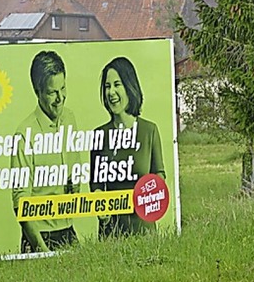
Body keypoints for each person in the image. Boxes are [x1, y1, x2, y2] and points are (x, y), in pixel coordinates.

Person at [11, 50, 80, 253]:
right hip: (39, 237)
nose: (60, 98)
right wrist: (42, 249)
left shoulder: (70, 118)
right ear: (38, 91)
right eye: (52, 93)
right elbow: (21, 202)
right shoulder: (24, 134)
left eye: (63, 88)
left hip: (69, 230)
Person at [90, 56, 166, 238]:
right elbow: (96, 184)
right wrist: (101, 206)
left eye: (117, 84)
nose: (111, 92)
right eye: (107, 87)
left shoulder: (149, 131)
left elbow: (159, 174)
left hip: (144, 230)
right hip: (111, 233)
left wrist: (151, 197)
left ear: (129, 86)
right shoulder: (99, 135)